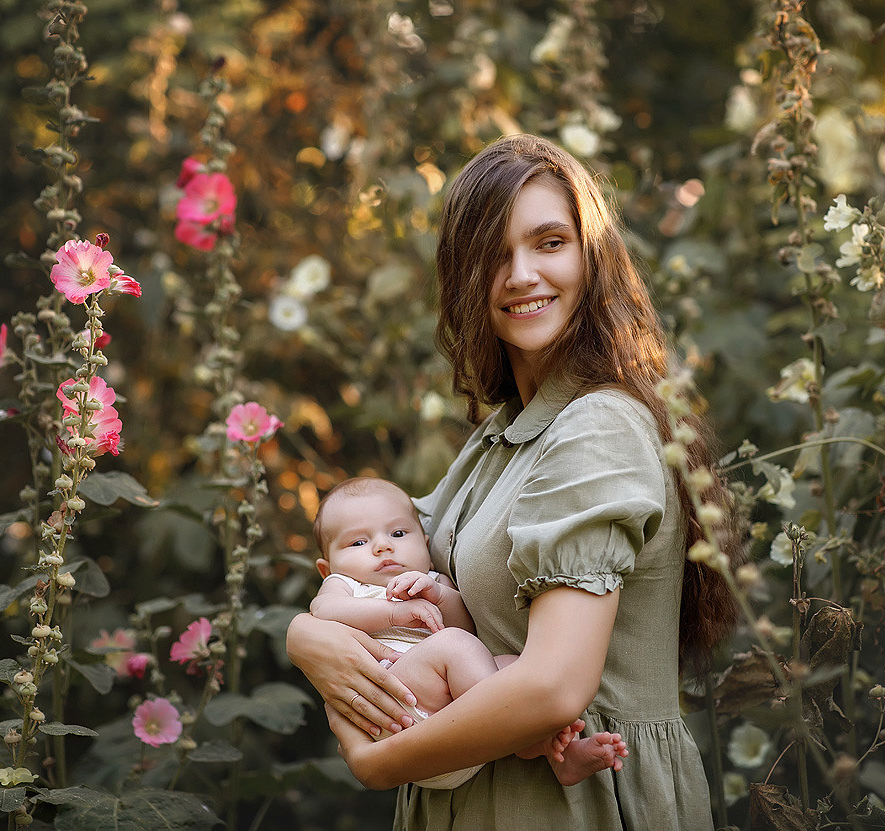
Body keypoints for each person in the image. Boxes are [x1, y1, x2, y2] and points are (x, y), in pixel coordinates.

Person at [287, 133, 743, 829]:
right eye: (494, 255)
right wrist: (305, 636)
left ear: (591, 257)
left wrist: (379, 760)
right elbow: (382, 564)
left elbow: (555, 686)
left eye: (550, 242)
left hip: (573, 804)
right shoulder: (500, 436)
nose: (522, 274)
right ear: (464, 275)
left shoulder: (596, 427)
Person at [309, 475, 629, 788]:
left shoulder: (432, 582)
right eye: (359, 542)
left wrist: (437, 595)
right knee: (454, 645)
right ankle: (524, 737)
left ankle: (555, 752)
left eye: (398, 532)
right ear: (327, 567)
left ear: (423, 542)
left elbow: (466, 629)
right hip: (393, 709)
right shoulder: (345, 585)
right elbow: (325, 610)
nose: (382, 547)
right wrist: (395, 612)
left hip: (457, 727)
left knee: (512, 665)